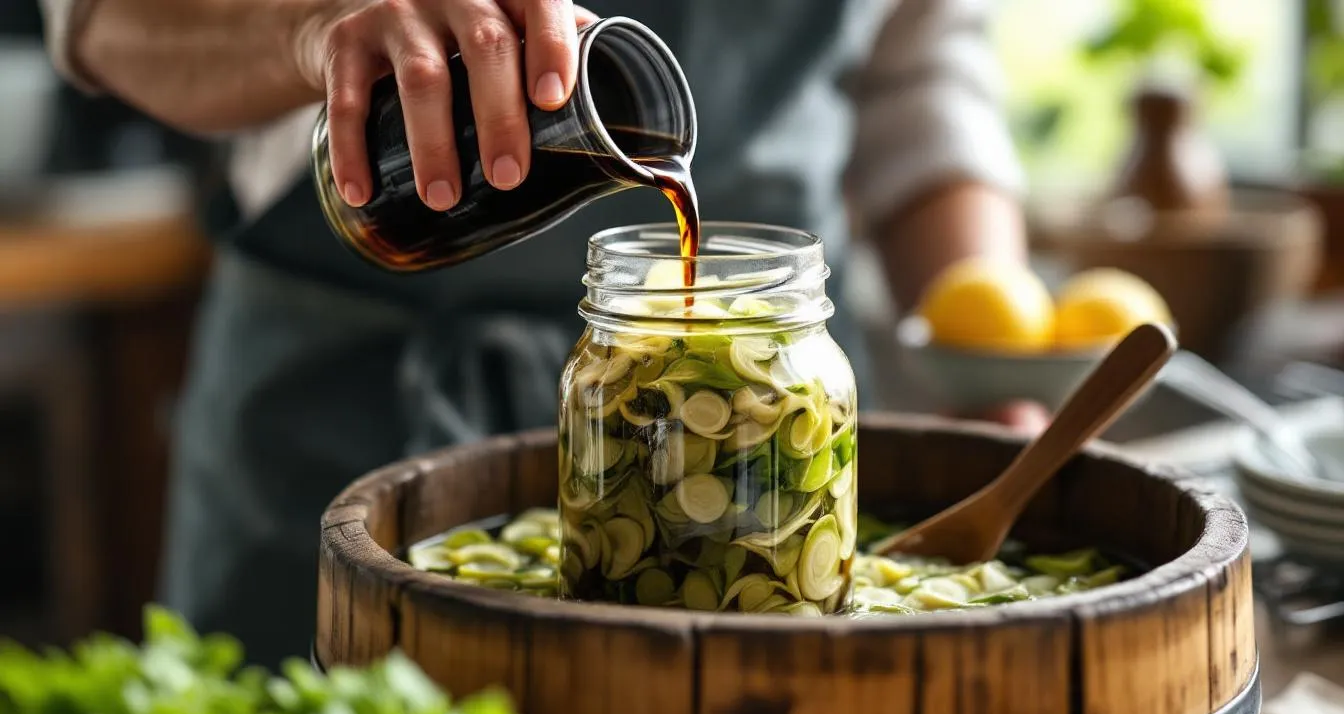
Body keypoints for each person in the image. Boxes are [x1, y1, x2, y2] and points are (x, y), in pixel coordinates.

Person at [37, 0, 1038, 669]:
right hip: (338, 395)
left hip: (781, 336)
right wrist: (311, 25)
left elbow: (918, 58)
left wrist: (984, 341)